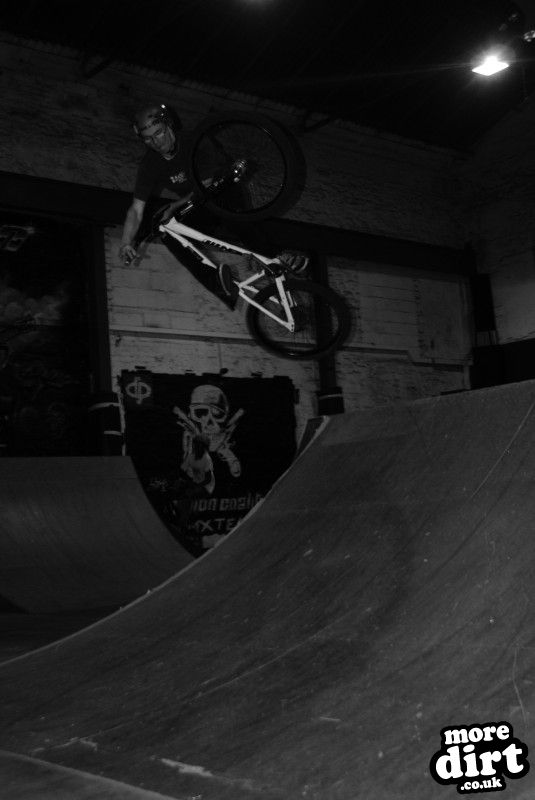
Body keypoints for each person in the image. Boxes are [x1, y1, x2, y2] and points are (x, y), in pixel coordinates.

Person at [119, 102, 308, 309]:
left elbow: (206, 185)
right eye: (149, 139)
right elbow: (136, 209)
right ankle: (218, 285)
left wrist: (174, 206)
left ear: (169, 125)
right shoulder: (150, 164)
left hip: (224, 191)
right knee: (168, 232)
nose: (157, 142)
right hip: (199, 207)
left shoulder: (195, 141)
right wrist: (126, 242)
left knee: (229, 214)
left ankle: (278, 257)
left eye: (159, 133)